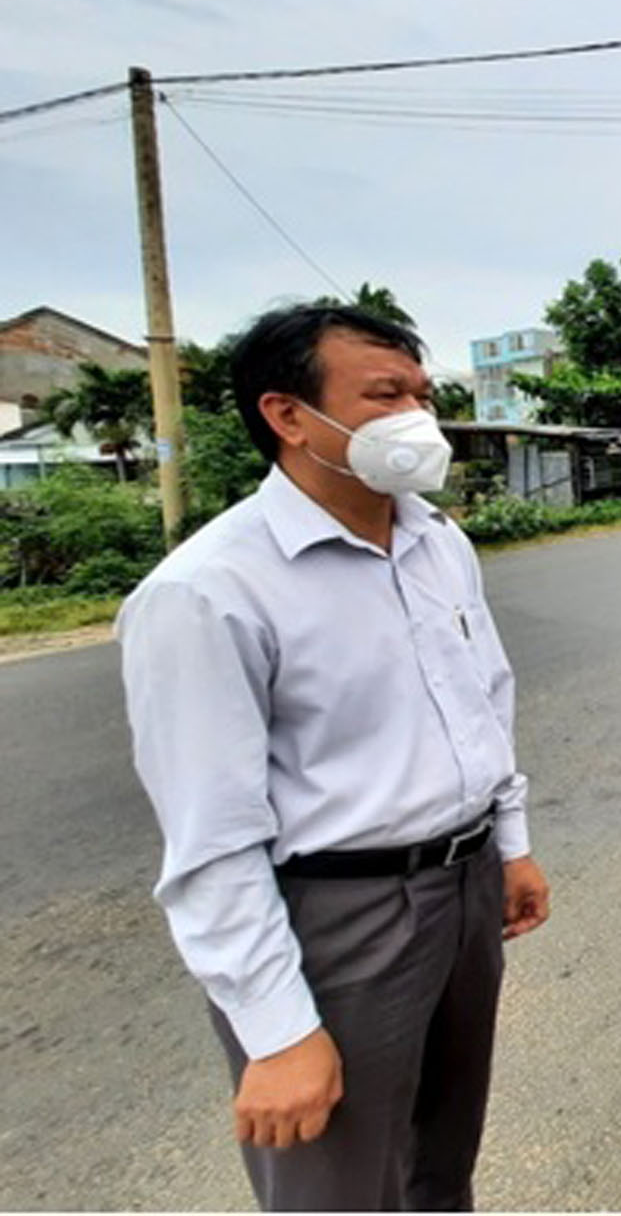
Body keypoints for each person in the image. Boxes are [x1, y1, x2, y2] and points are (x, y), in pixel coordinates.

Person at [117, 303, 550, 1211]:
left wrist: (508, 844)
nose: (415, 420)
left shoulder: (437, 541)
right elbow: (210, 836)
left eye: (422, 395)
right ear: (287, 415)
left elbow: (484, 700)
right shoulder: (209, 591)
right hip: (340, 921)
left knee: (441, 1165)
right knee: (340, 1189)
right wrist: (276, 1029)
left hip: (466, 891)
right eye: (385, 395)